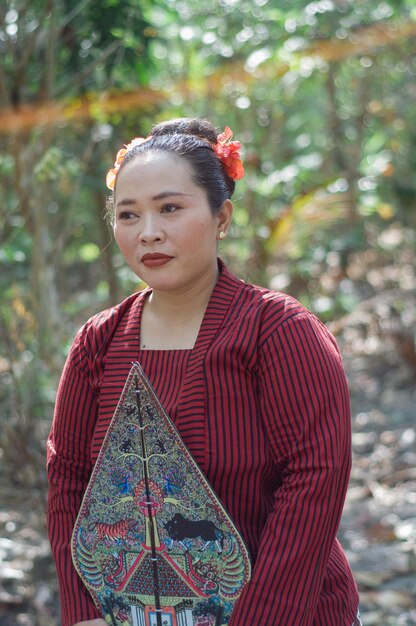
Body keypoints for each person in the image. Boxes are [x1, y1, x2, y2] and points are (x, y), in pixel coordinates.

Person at [47, 117, 362, 626]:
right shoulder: (98, 344)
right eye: (128, 215)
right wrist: (84, 610)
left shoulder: (278, 331)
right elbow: (68, 478)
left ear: (222, 216)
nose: (148, 232)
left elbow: (314, 483)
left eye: (170, 208)